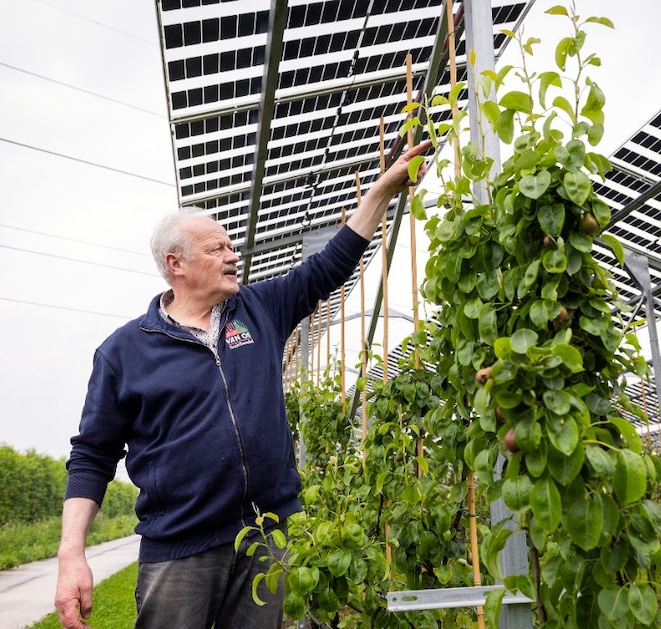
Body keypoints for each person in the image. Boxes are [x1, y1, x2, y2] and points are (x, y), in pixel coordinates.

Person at [54, 139, 433, 629]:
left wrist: (381, 191)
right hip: (181, 547)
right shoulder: (125, 352)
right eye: (217, 249)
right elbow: (92, 455)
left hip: (268, 535)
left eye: (232, 245)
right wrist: (71, 555)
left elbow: (329, 266)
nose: (233, 255)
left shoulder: (259, 310)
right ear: (176, 264)